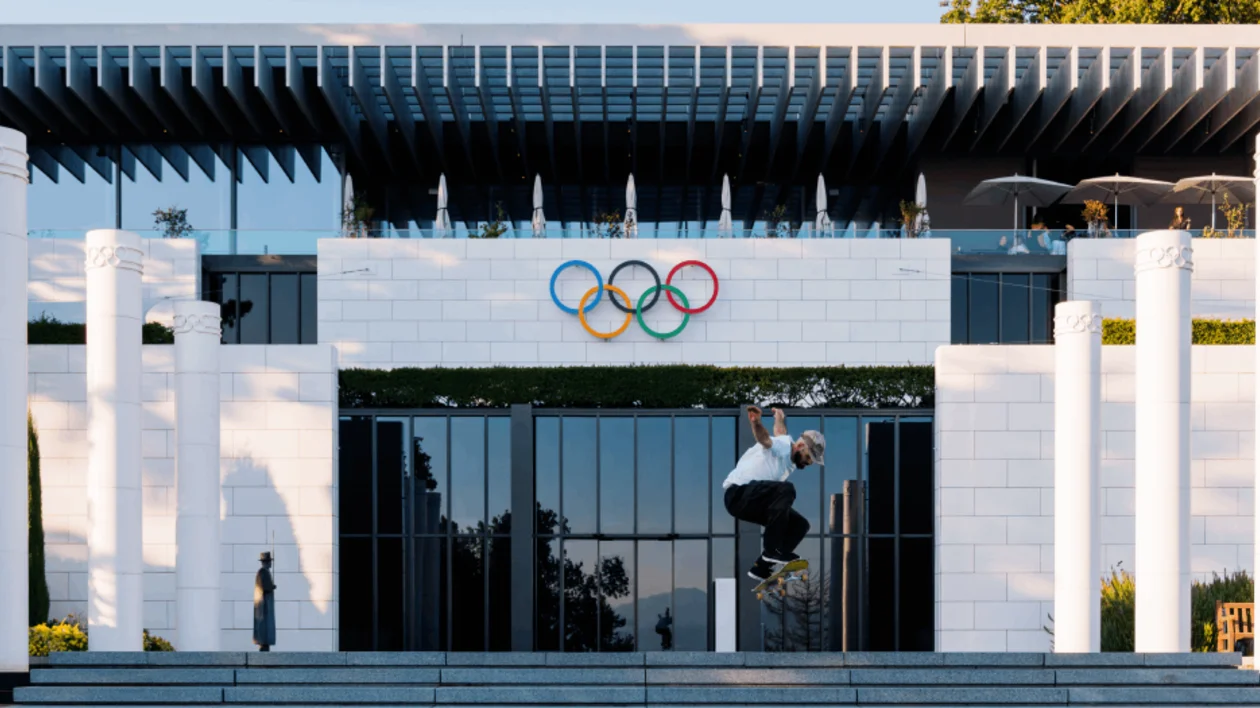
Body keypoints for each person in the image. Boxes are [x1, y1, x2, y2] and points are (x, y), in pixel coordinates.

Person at [722, 406, 826, 581]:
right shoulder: (783, 446)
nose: (808, 463)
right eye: (809, 457)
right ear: (800, 446)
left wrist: (779, 417)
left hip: (755, 501)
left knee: (800, 525)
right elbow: (766, 440)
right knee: (786, 489)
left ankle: (762, 567)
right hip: (739, 494)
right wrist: (756, 423)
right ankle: (772, 551)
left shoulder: (788, 453)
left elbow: (780, 431)